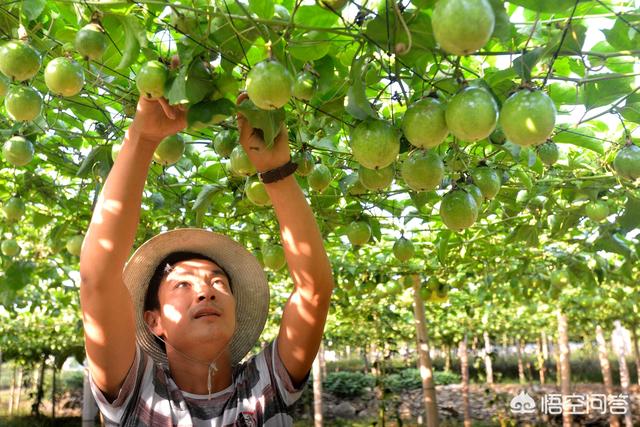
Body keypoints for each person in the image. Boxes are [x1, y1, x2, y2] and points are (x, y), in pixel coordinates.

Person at [79, 93, 334, 426]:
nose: (206, 292)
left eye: (218, 282)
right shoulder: (136, 392)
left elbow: (314, 293)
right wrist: (142, 139)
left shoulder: (265, 385)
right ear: (154, 321)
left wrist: (277, 173)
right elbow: (97, 280)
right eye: (183, 284)